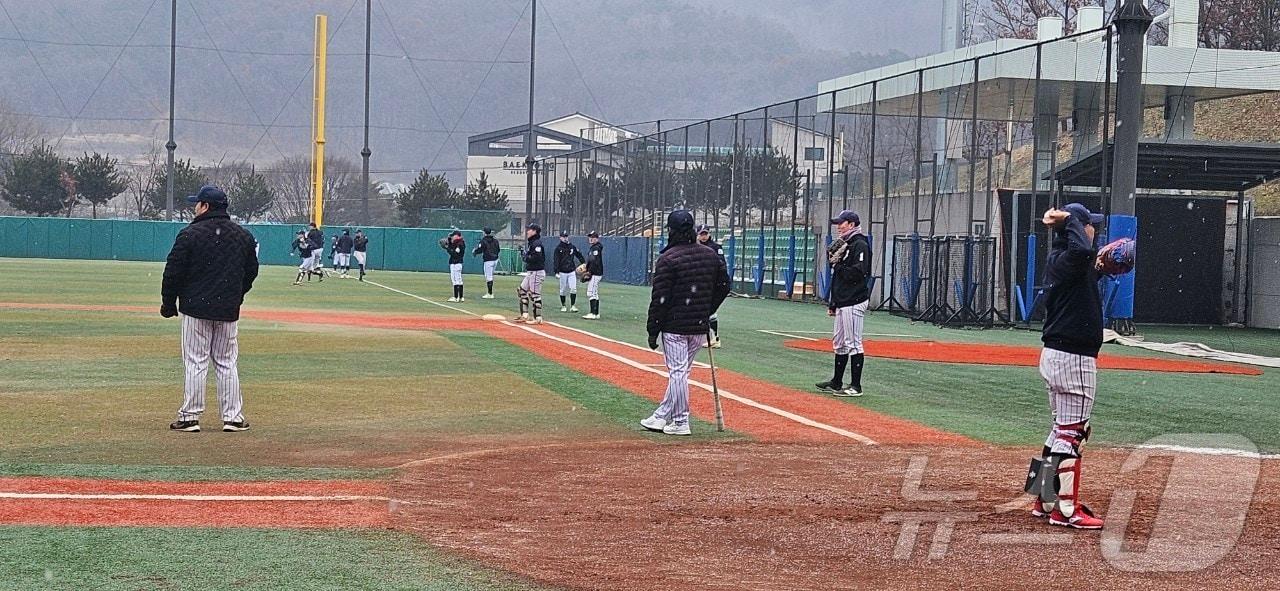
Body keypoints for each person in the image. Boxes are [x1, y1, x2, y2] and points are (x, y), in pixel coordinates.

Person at [1026, 203, 1107, 530]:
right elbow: (1081, 253)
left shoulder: (1064, 261)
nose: (1094, 230)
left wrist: (1102, 265)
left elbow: (1086, 261)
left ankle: (1043, 497)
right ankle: (1067, 509)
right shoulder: (1071, 258)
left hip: (1059, 354)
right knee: (1074, 433)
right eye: (1090, 225)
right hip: (1073, 357)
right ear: (1077, 229)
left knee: (1061, 429)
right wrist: (1072, 220)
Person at [161, 184, 258, 433]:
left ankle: (190, 417)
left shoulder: (190, 234)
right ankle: (233, 417)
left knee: (195, 361)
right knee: (227, 362)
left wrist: (169, 302)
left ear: (205, 206)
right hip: (228, 309)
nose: (195, 207)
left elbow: (173, 270)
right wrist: (236, 296)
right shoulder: (243, 235)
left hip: (195, 308)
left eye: (198, 203)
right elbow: (251, 272)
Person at [642, 210, 730, 436]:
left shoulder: (668, 259)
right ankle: (662, 415)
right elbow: (724, 287)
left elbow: (659, 299)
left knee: (678, 372)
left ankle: (681, 421)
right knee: (681, 372)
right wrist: (707, 309)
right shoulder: (710, 255)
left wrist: (653, 330)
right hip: (699, 325)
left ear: (671, 231)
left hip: (675, 326)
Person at [815, 210, 872, 397]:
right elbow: (839, 278)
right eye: (838, 223)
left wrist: (837, 265)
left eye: (843, 223)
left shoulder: (860, 244)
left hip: (854, 299)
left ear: (852, 224)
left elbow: (858, 273)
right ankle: (836, 381)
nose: (839, 227)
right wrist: (834, 302)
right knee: (839, 343)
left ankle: (856, 386)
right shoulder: (847, 244)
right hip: (843, 300)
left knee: (854, 343)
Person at [697, 225, 727, 348]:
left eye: (705, 234)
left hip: (713, 283)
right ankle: (710, 336)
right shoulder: (696, 247)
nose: (704, 236)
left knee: (710, 310)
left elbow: (721, 264)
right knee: (704, 311)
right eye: (701, 234)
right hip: (701, 283)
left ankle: (715, 338)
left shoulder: (715, 247)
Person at [516, 223, 546, 324]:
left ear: (534, 231)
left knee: (535, 295)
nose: (527, 231)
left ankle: (538, 318)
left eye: (529, 229)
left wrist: (526, 257)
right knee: (522, 290)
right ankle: (524, 315)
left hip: (537, 271)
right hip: (531, 271)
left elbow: (537, 257)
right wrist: (524, 254)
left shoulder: (536, 243)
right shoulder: (532, 243)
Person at [553, 230, 586, 313]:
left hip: (571, 271)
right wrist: (556, 272)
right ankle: (563, 305)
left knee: (573, 289)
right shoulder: (558, 248)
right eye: (563, 237)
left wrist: (584, 263)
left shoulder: (571, 246)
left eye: (566, 236)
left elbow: (579, 255)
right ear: (560, 238)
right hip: (562, 272)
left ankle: (573, 306)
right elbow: (556, 260)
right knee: (563, 290)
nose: (565, 238)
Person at [473, 227, 501, 299]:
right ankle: (490, 293)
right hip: (495, 259)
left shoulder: (483, 240)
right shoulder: (495, 240)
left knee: (489, 277)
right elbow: (498, 249)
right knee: (490, 276)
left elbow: (480, 249)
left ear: (484, 232)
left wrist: (475, 252)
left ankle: (490, 293)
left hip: (488, 260)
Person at [582, 230, 604, 319]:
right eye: (590, 237)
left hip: (595, 273)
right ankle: (596, 313)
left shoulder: (596, 248)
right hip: (595, 272)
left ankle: (592, 313)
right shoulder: (594, 247)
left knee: (591, 293)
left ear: (597, 239)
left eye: (593, 237)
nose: (591, 239)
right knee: (594, 293)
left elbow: (595, 261)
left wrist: (589, 271)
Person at [441, 230, 466, 302]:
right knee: (458, 280)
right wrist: (449, 239)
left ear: (457, 236)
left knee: (456, 280)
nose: (452, 237)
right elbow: (451, 245)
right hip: (456, 263)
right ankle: (460, 297)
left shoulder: (460, 244)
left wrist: (447, 248)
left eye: (453, 235)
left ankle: (456, 297)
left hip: (456, 263)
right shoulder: (457, 243)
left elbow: (455, 254)